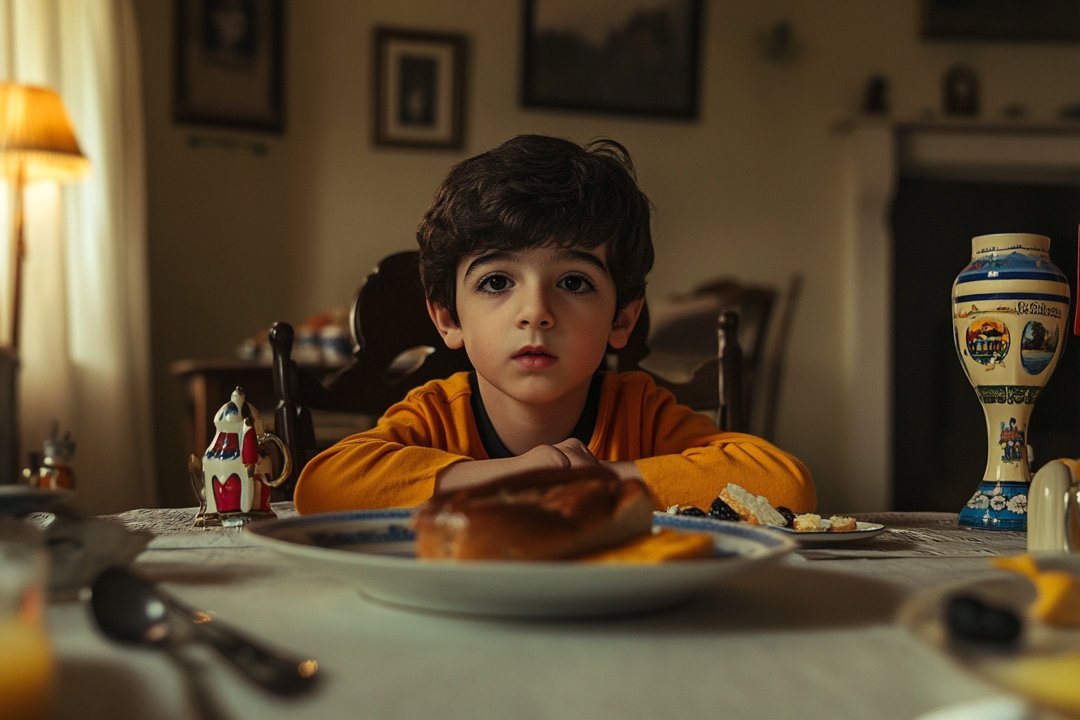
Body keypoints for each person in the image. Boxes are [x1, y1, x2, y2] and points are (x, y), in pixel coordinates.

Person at [293, 134, 815, 514]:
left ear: (622, 318)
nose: (536, 312)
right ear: (449, 318)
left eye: (574, 283)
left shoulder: (640, 414)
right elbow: (322, 488)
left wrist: (599, 479)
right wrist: (515, 476)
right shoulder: (436, 415)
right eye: (498, 282)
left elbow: (783, 485)